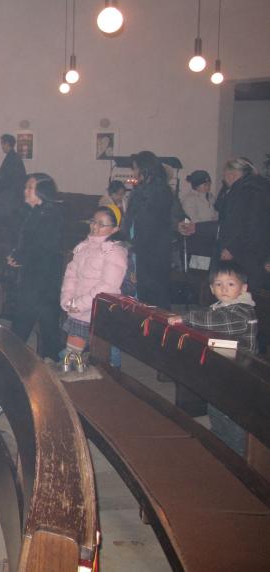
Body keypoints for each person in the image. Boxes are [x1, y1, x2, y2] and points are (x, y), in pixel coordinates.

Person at [167, 261, 258, 455]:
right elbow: (207, 318)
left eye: (230, 284)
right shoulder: (219, 306)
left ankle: (238, 454)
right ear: (211, 289)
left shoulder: (243, 311)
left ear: (243, 288)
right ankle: (219, 441)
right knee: (215, 406)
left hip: (240, 376)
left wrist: (187, 318)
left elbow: (218, 321)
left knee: (231, 415)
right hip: (222, 372)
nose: (224, 288)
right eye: (218, 284)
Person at [8, 173, 64, 360]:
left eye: (30, 188)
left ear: (42, 191)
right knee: (44, 325)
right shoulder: (35, 212)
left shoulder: (50, 215)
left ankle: (12, 360)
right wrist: (16, 255)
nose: (25, 191)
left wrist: (20, 257)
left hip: (41, 280)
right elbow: (26, 243)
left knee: (27, 324)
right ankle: (47, 360)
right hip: (35, 277)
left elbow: (42, 248)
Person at [60, 207, 128, 354]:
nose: (95, 227)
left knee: (91, 357)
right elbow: (71, 275)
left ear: (115, 229)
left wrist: (80, 304)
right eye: (93, 222)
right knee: (72, 355)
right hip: (77, 309)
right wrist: (67, 299)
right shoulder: (84, 247)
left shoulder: (114, 251)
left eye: (101, 224)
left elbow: (108, 286)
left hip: (96, 312)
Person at [122, 151, 173, 308]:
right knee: (144, 289)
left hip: (150, 248)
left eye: (135, 168)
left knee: (151, 292)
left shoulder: (157, 191)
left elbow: (148, 222)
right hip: (143, 246)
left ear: (145, 169)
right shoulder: (145, 189)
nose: (133, 173)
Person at [214, 157, 270, 291]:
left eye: (224, 176)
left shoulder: (243, 191)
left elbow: (242, 224)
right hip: (256, 249)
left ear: (231, 175)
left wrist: (232, 248)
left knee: (237, 290)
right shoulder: (259, 187)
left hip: (243, 251)